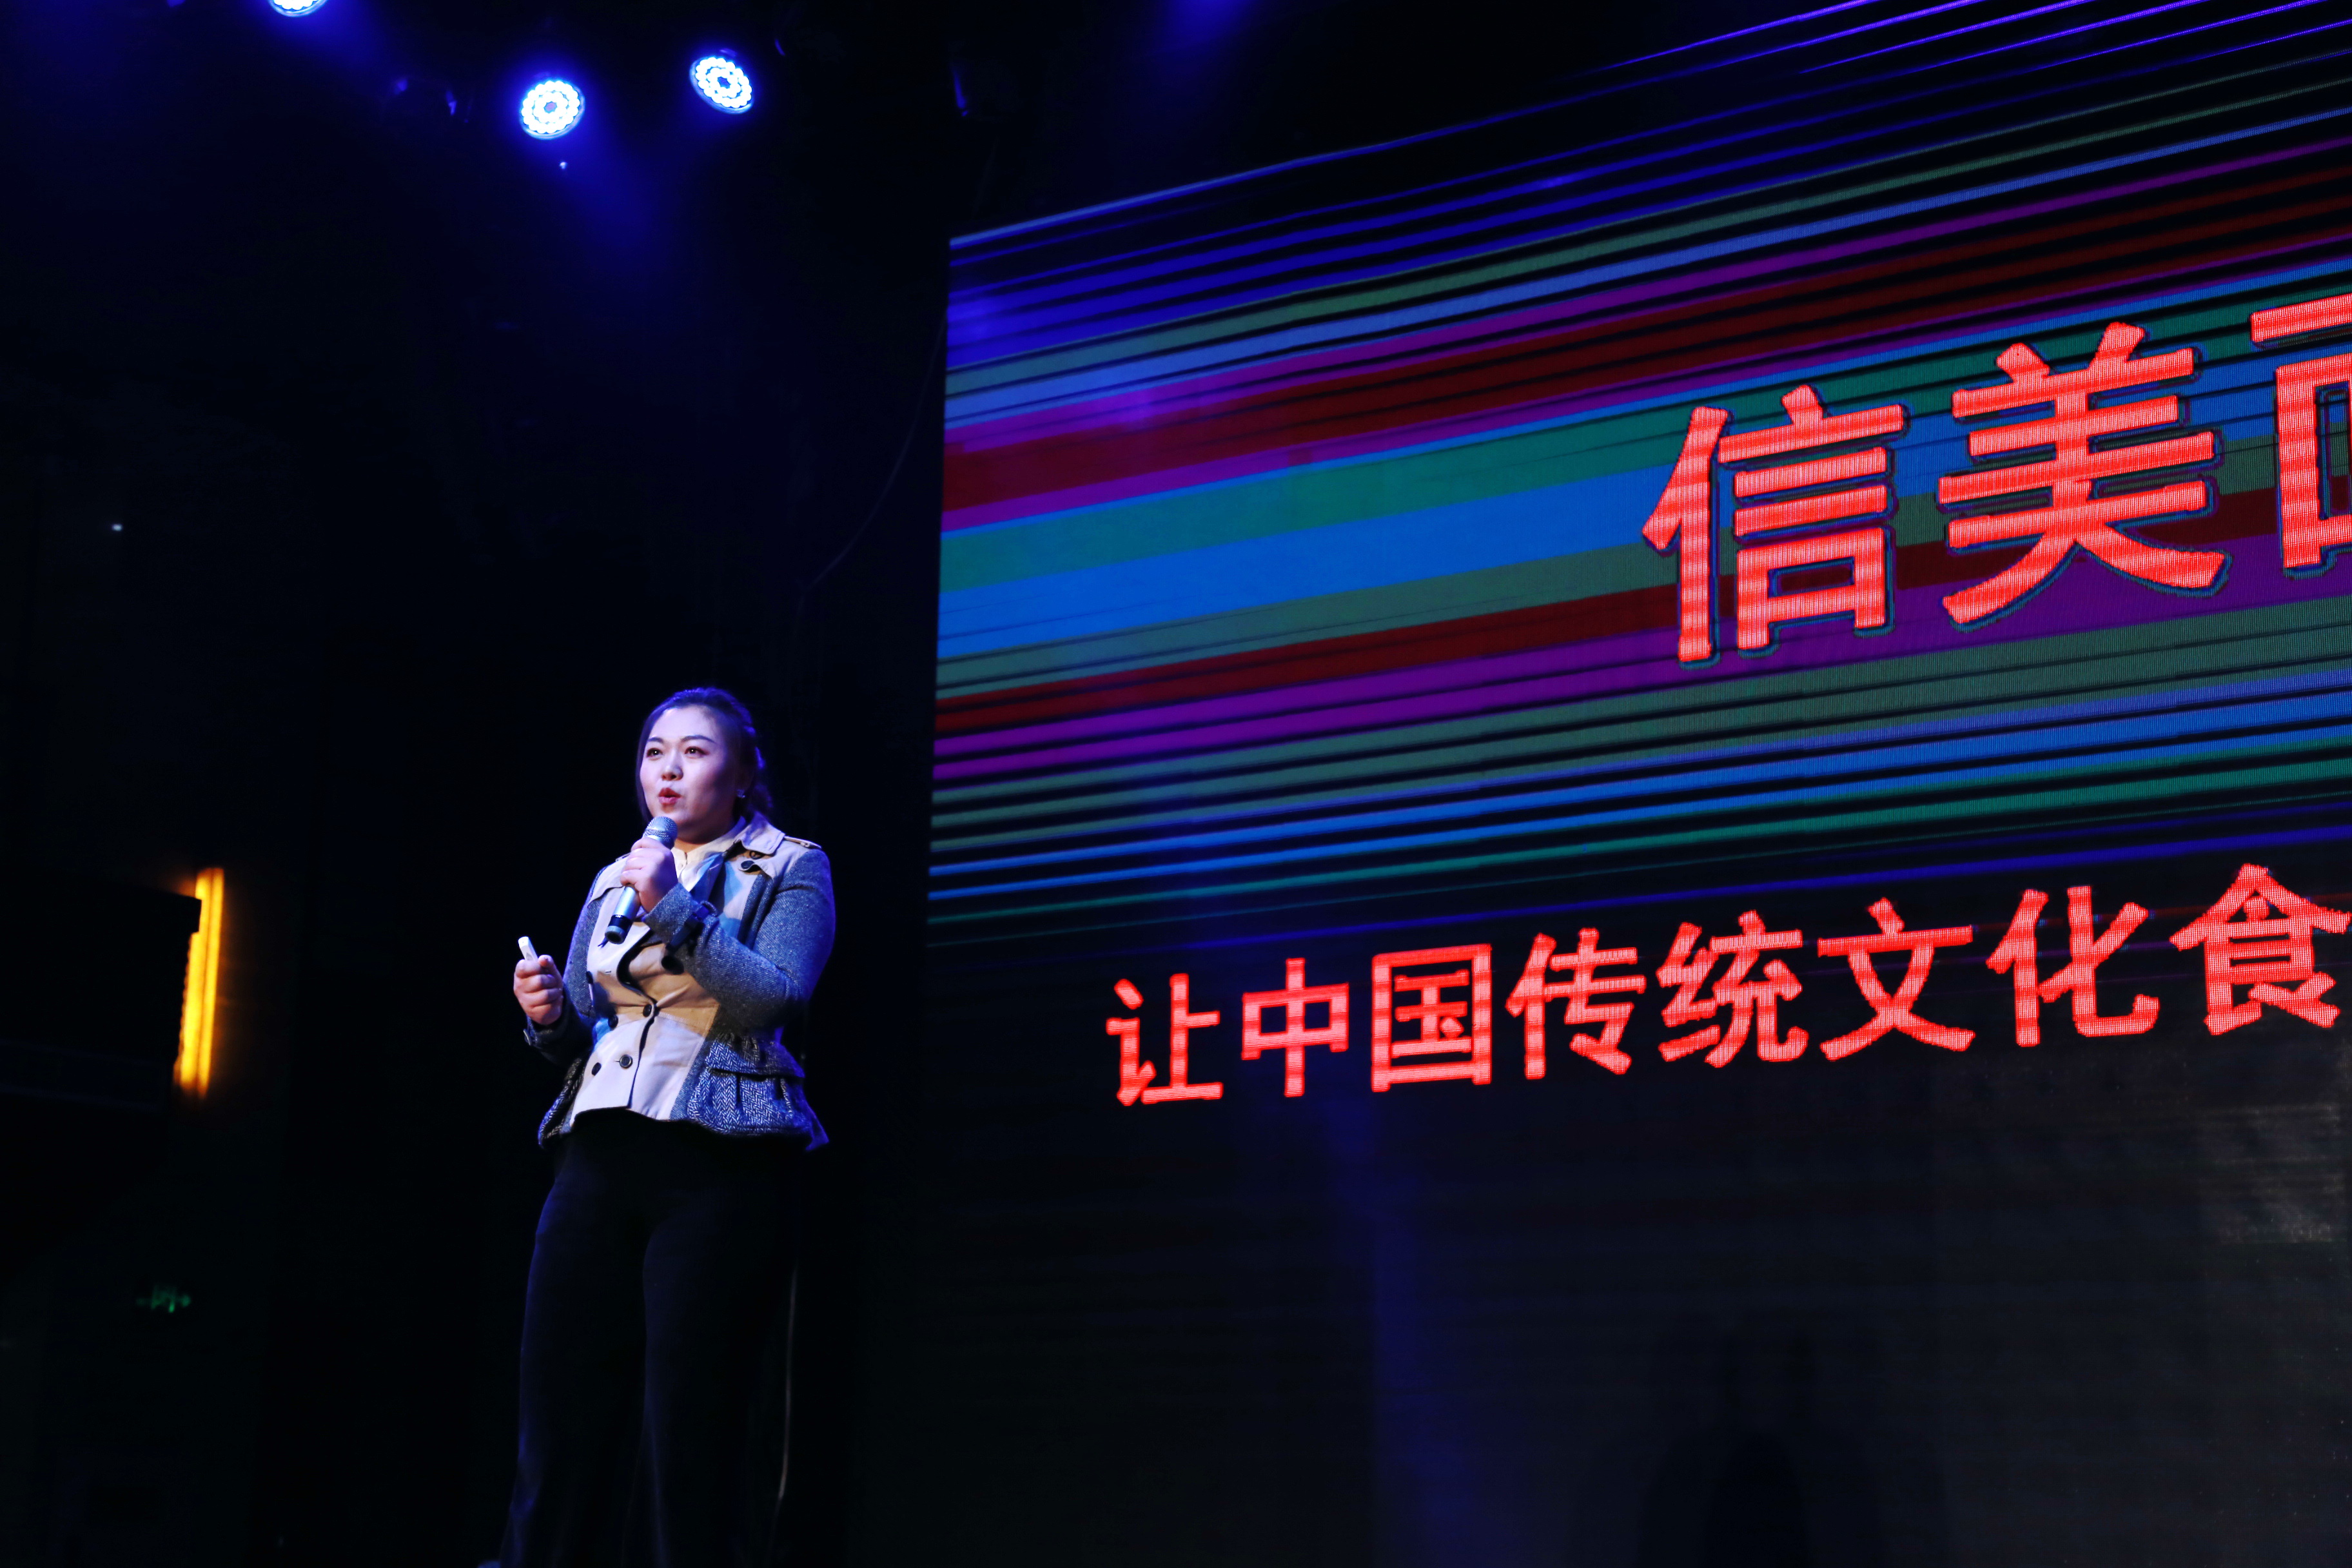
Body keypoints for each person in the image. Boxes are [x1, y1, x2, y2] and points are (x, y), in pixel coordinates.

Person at [498, 686, 835, 1567]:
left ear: (745, 771)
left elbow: (771, 1001)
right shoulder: (617, 873)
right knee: (561, 1409)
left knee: (687, 1422)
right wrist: (548, 1016)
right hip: (599, 1149)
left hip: (718, 1158)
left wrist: (675, 906)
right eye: (655, 753)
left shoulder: (792, 865)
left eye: (694, 751)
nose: (669, 771)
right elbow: (586, 1024)